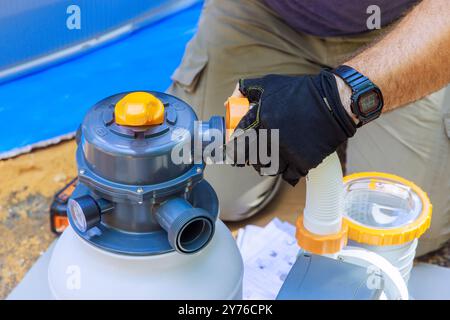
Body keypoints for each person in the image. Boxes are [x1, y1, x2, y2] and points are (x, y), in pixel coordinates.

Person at [168, 0, 449, 255]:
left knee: (403, 228)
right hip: (267, 15)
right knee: (204, 193)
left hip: (404, 24)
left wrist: (332, 101)